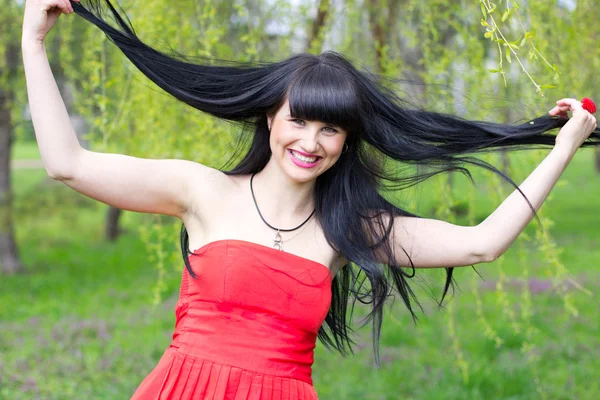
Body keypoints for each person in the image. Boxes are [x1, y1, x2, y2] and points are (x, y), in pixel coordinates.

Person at [22, 0, 599, 398]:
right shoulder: (201, 191)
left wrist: (563, 147)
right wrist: (34, 40)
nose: (311, 142)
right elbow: (67, 164)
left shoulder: (347, 228)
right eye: (299, 121)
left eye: (331, 129)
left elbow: (481, 245)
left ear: (346, 140)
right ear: (271, 115)